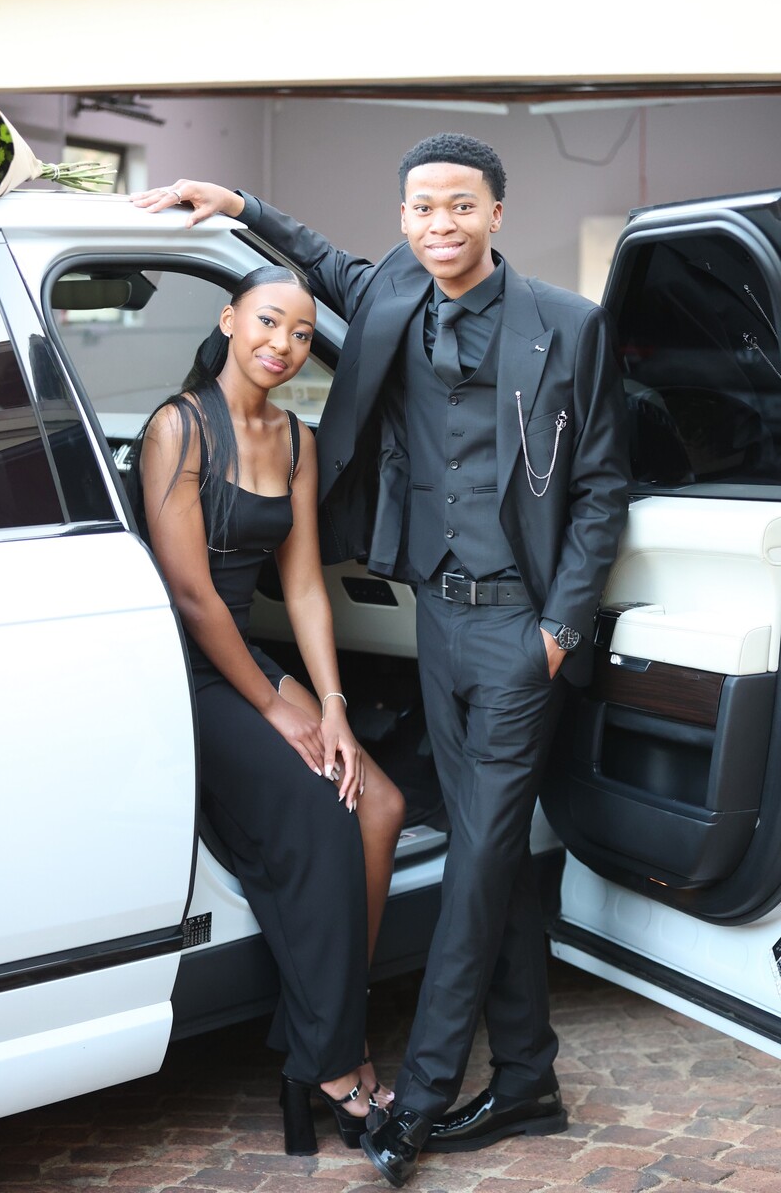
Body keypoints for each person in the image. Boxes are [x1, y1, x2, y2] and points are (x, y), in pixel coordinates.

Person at [133, 131, 630, 1187]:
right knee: (495, 859)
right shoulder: (393, 295)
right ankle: (528, 1076)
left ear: (496, 213)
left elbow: (599, 487)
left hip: (520, 630)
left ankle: (424, 1093)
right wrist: (243, 204)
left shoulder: (568, 323)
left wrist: (558, 630)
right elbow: (321, 264)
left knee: (479, 860)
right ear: (404, 219)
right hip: (435, 617)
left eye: (461, 206)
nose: (440, 224)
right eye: (421, 209)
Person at [132, 264, 405, 1157]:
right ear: (229, 320)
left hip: (245, 661)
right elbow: (192, 594)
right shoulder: (178, 427)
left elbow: (306, 588)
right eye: (268, 322)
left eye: (301, 333)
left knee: (381, 802)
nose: (283, 345)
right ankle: (337, 1062)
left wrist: (330, 706)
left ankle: (315, 1043)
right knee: (324, 809)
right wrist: (277, 711)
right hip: (177, 667)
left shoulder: (294, 439)